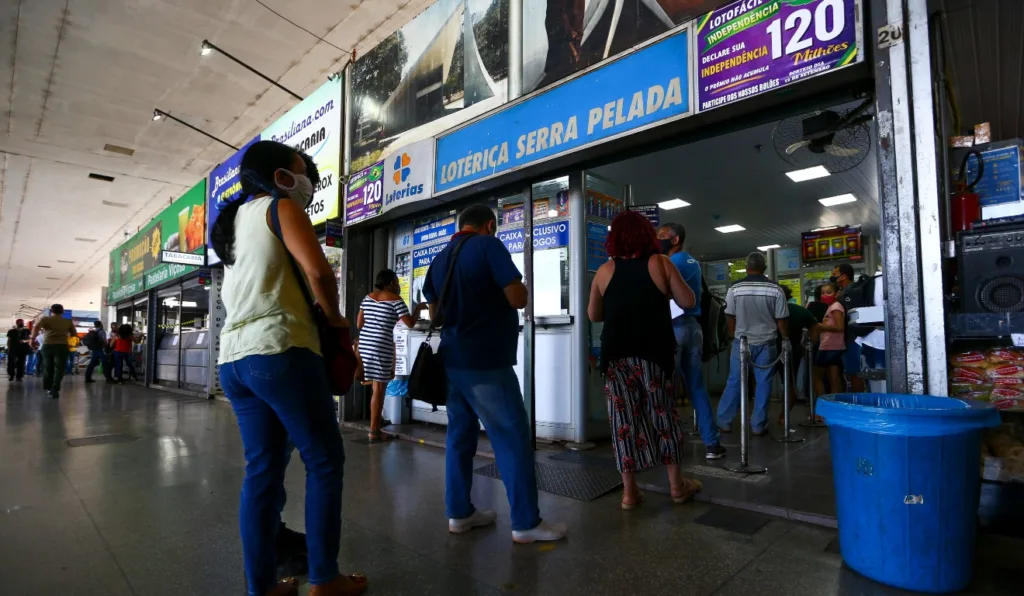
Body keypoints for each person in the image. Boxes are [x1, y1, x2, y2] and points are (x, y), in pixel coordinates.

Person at [211, 140, 363, 596]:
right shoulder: (279, 207)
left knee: (262, 471)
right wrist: (336, 321)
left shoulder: (232, 224)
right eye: (301, 172)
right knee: (323, 460)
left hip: (234, 360)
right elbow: (319, 272)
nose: (307, 183)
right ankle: (324, 579)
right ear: (279, 175)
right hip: (279, 349)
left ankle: (262, 588)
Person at [423, 203, 566, 544]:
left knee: (460, 438)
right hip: (485, 361)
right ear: (490, 225)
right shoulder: (489, 246)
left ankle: (459, 514)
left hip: (452, 360)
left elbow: (436, 315)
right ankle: (526, 523)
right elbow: (518, 298)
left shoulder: (440, 258)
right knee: (511, 436)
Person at [592, 212, 702, 509]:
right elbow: (688, 301)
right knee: (663, 414)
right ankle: (677, 486)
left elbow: (594, 315)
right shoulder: (660, 263)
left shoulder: (605, 270)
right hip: (653, 353)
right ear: (647, 236)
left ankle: (630, 494)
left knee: (623, 422)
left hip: (615, 356)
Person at [656, 223, 725, 460]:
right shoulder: (693, 262)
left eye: (663, 236)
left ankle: (665, 444)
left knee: (664, 388)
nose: (659, 240)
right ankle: (712, 443)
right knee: (697, 387)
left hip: (673, 328)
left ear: (675, 240)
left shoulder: (669, 263)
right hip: (694, 328)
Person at [716, 253, 789, 435]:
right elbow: (781, 320)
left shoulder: (735, 288)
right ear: (764, 268)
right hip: (768, 342)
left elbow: (729, 315)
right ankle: (757, 424)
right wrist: (786, 340)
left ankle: (724, 421)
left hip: (741, 343)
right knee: (763, 383)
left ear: (747, 267)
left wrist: (734, 335)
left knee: (734, 381)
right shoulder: (776, 289)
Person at [356, 269, 422, 442]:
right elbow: (410, 323)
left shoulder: (367, 297)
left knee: (375, 388)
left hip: (365, 345)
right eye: (396, 281)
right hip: (380, 346)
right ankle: (374, 432)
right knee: (379, 389)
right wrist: (419, 308)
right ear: (389, 283)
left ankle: (375, 428)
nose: (398, 285)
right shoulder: (395, 300)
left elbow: (359, 323)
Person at [779, 285, 818, 414]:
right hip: (793, 349)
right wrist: (810, 343)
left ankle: (759, 416)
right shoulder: (799, 310)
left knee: (762, 381)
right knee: (789, 383)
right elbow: (815, 327)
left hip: (770, 348)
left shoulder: (768, 310)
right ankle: (784, 416)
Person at [30, 304, 77, 398]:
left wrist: (32, 338)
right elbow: (74, 334)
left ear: (51, 311)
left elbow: (36, 328)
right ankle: (55, 388)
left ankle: (49, 388)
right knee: (59, 368)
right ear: (63, 311)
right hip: (62, 346)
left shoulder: (46, 319)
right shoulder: (68, 321)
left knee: (48, 367)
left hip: (48, 346)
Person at [832, 263, 866, 392]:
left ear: (843, 276)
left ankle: (858, 402)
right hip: (859, 337)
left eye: (835, 275)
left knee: (854, 374)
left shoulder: (847, 294)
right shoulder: (856, 290)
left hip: (851, 338)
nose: (833, 278)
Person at [814, 282, 846, 410]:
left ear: (836, 293)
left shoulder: (835, 307)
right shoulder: (832, 306)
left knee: (816, 376)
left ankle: (823, 407)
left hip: (830, 346)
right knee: (834, 377)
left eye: (829, 292)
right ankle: (835, 407)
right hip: (834, 345)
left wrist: (820, 326)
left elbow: (839, 327)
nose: (825, 295)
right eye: (822, 293)